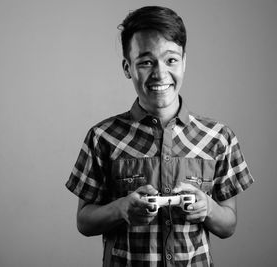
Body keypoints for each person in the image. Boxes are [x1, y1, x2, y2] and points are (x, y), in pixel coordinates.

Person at [65, 5, 254, 267]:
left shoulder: (220, 138)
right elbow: (84, 221)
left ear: (184, 61)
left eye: (171, 60)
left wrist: (208, 208)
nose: (160, 73)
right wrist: (122, 209)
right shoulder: (102, 138)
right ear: (127, 67)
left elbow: (228, 224)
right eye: (145, 62)